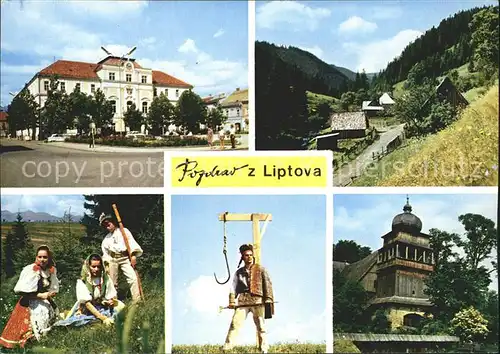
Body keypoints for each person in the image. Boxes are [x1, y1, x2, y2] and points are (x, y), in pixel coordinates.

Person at [0, 245, 60, 349]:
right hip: (29, 302)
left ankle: (44, 340)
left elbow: (53, 287)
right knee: (30, 325)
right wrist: (41, 295)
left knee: (49, 318)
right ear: (36, 257)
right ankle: (28, 344)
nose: (42, 259)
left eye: (45, 257)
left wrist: (50, 293)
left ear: (49, 258)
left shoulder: (51, 270)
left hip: (45, 301)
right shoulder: (31, 270)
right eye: (40, 257)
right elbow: (22, 291)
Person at [222, 244, 274, 354]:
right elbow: (233, 287)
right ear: (242, 257)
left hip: (257, 301)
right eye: (246, 255)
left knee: (261, 326)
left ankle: (263, 349)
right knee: (235, 324)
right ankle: (227, 348)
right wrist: (231, 301)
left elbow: (268, 284)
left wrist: (268, 298)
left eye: (251, 255)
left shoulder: (261, 269)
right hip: (243, 301)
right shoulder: (239, 272)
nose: (249, 257)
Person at [54, 254, 124, 327]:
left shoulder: (105, 279)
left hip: (102, 306)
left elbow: (111, 295)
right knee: (80, 320)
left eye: (98, 267)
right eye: (93, 267)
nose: (96, 269)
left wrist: (111, 301)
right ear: (88, 266)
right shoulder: (82, 281)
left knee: (120, 311)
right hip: (87, 310)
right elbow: (87, 304)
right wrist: (103, 318)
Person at [99, 213, 143, 302]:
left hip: (125, 258)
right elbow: (106, 254)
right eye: (105, 226)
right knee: (112, 281)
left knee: (133, 278)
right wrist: (107, 264)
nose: (107, 226)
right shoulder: (106, 240)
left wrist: (133, 256)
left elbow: (131, 242)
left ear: (113, 222)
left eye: (108, 223)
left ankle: (137, 301)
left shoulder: (124, 231)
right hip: (113, 259)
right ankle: (113, 301)